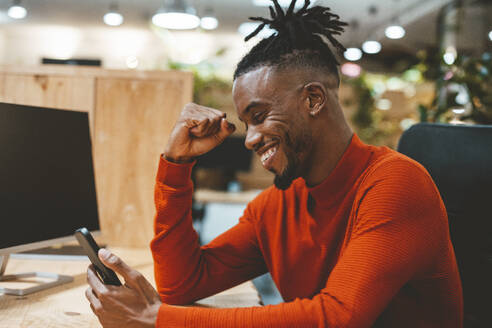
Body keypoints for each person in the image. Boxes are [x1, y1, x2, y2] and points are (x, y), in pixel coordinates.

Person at [85, 0, 463, 327]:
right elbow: (182, 283)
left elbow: (339, 317)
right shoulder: (277, 206)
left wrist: (157, 321)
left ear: (313, 99)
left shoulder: (396, 183)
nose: (249, 138)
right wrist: (175, 166)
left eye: (259, 115)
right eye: (246, 123)